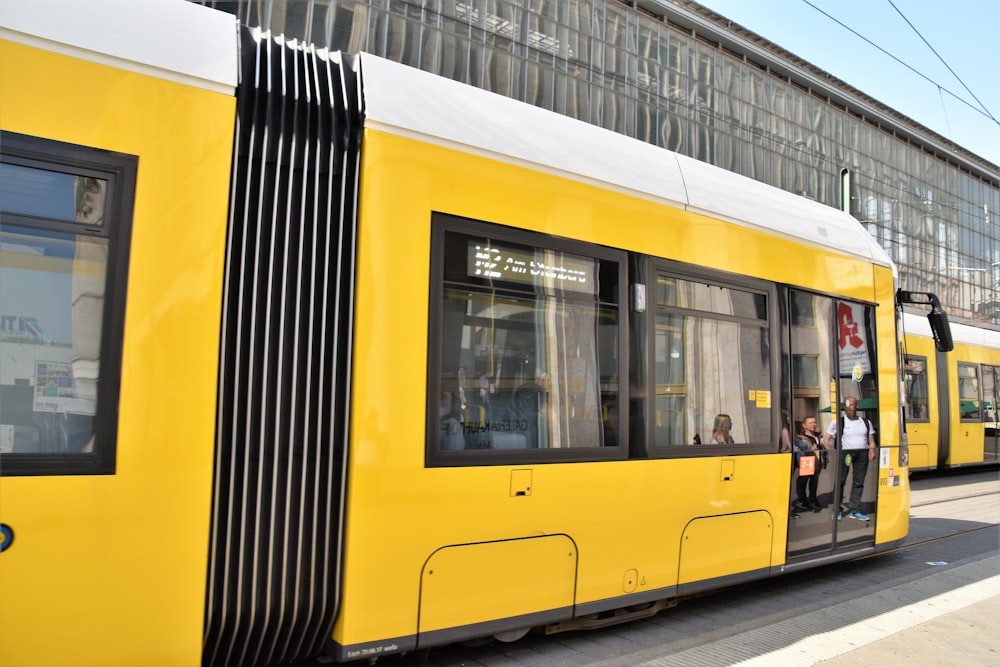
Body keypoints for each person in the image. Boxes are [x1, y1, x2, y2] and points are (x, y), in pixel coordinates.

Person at [822, 396, 877, 521]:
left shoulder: (865, 422)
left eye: (851, 405)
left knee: (859, 482)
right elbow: (826, 438)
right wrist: (831, 451)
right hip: (846, 453)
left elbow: (871, 439)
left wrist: (872, 449)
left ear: (856, 407)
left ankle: (855, 510)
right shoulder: (838, 422)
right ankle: (837, 510)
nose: (848, 408)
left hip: (862, 453)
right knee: (840, 481)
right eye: (846, 406)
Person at [793, 414, 826, 512]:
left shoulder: (819, 435)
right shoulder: (800, 438)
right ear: (804, 425)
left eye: (815, 422)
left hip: (817, 463)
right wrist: (810, 449)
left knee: (814, 482)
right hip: (807, 463)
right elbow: (797, 450)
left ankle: (812, 499)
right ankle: (802, 499)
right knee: (803, 481)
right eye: (810, 423)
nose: (813, 424)